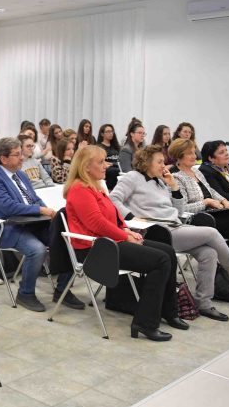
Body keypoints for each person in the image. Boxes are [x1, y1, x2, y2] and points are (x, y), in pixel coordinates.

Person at [110, 144, 229, 321]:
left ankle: (203, 303)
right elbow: (113, 199)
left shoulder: (160, 181)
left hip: (175, 226)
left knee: (209, 253)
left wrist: (173, 186)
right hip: (157, 231)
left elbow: (178, 212)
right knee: (211, 233)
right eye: (159, 162)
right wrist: (131, 217)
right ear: (147, 162)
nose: (163, 165)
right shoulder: (133, 177)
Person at [64, 146, 184, 341]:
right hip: (95, 249)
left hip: (109, 242)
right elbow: (96, 223)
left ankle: (169, 311)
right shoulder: (79, 189)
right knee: (161, 260)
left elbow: (114, 214)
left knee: (168, 252)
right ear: (86, 167)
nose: (106, 165)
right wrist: (125, 236)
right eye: (101, 162)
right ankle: (144, 323)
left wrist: (126, 229)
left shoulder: (95, 185)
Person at [0, 138, 78, 311]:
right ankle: (25, 293)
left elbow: (35, 198)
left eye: (21, 153)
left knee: (69, 239)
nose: (22, 158)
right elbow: (8, 207)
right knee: (37, 250)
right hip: (8, 227)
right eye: (17, 154)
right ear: (3, 159)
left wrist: (47, 210)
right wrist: (40, 210)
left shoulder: (21, 174)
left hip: (32, 223)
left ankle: (62, 289)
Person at [170, 139, 229, 262]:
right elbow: (182, 209)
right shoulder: (176, 177)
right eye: (190, 153)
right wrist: (206, 202)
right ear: (179, 156)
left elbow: (211, 191)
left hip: (214, 212)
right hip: (198, 218)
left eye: (194, 152)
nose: (195, 156)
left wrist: (225, 201)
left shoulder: (196, 171)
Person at [198, 140, 229, 204]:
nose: (227, 154)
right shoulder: (206, 171)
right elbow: (221, 194)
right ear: (211, 158)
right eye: (221, 152)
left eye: (226, 150)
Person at [96, 123, 121, 190]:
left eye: (112, 131)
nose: (111, 133)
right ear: (102, 134)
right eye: (108, 132)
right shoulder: (99, 147)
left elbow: (120, 161)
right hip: (107, 170)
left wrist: (113, 164)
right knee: (113, 171)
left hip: (117, 167)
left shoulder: (116, 146)